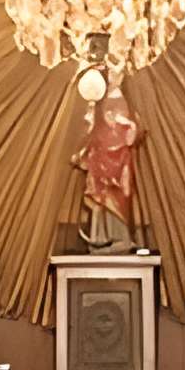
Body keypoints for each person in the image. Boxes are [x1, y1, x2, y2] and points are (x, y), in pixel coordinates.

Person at [74, 80, 140, 249]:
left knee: (121, 196)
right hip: (102, 154)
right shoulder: (99, 96)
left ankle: (121, 238)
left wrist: (127, 123)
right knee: (100, 197)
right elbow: (91, 125)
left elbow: (133, 135)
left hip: (121, 158)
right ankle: (100, 236)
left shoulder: (127, 99)